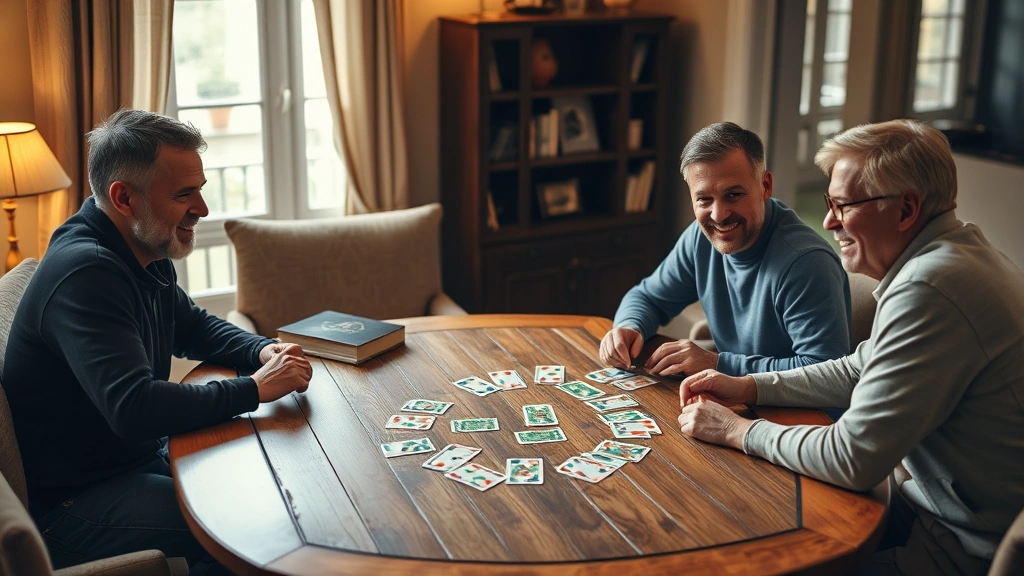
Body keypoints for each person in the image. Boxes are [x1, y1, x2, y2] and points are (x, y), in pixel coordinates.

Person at [677, 119, 1024, 575]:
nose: (828, 221)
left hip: (961, 546)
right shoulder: (955, 253)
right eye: (829, 203)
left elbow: (853, 457)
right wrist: (746, 386)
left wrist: (736, 431)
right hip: (925, 505)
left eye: (844, 205)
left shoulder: (932, 288)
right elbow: (857, 368)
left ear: (906, 210)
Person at [3, 109, 313, 571]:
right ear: (124, 197)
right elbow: (135, 409)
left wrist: (260, 350)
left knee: (274, 485)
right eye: (184, 194)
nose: (203, 209)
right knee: (255, 523)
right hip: (76, 506)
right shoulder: (86, 271)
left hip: (133, 463)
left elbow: (192, 326)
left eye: (201, 190)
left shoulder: (142, 245)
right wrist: (255, 388)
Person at [600, 122, 851, 378]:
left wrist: (718, 364)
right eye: (704, 200)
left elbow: (825, 373)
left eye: (733, 194)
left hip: (797, 414)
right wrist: (630, 326)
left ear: (765, 186)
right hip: (735, 398)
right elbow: (648, 297)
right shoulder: (700, 238)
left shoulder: (806, 263)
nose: (719, 215)